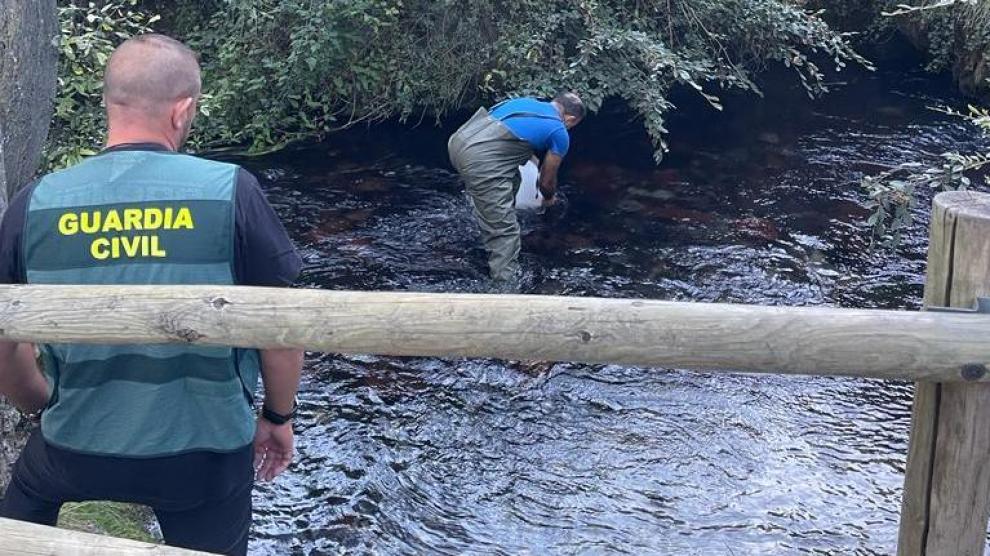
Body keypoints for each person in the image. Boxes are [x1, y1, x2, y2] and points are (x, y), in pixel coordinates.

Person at [0, 34, 304, 555]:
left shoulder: (39, 201)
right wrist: (278, 419)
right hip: (204, 458)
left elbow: (5, 336)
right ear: (182, 110)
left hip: (75, 449)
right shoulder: (232, 190)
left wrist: (36, 401)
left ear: (109, 103)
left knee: (22, 509)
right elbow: (282, 328)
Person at [448, 93, 584, 284]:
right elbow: (546, 181)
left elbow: (508, 138)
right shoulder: (559, 131)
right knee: (507, 233)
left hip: (458, 142)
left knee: (514, 178)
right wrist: (549, 199)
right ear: (570, 119)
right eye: (571, 125)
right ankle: (505, 288)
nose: (568, 128)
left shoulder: (525, 103)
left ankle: (487, 219)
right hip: (479, 160)